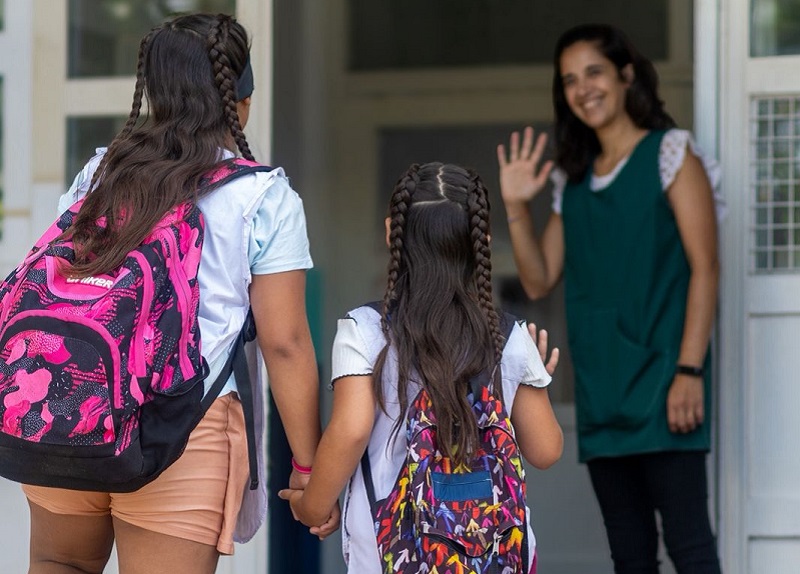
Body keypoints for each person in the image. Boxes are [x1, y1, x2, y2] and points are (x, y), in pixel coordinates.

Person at [21, 13, 336, 574]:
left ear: (154, 94)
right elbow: (284, 342)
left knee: (57, 563)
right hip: (182, 428)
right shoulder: (262, 197)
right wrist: (310, 469)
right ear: (240, 99)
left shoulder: (98, 175)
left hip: (70, 408)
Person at [496, 23, 723, 574]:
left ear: (625, 75)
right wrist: (516, 207)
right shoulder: (572, 183)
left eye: (594, 72)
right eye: (569, 80)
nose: (582, 89)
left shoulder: (670, 154)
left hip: (668, 382)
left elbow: (706, 268)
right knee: (630, 554)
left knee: (691, 546)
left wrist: (689, 370)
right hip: (604, 389)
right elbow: (537, 280)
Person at [278, 162, 564, 573]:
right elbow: (546, 449)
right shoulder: (509, 335)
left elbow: (353, 428)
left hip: (392, 554)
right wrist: (535, 374)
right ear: (482, 242)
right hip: (495, 555)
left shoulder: (365, 330)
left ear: (392, 232)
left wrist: (312, 506)